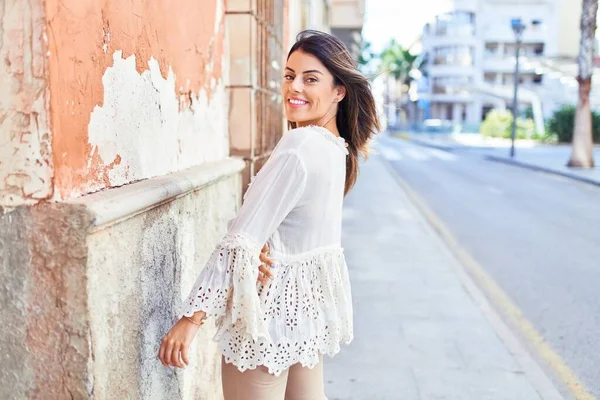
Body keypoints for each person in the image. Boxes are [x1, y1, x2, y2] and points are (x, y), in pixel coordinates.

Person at [158, 29, 380, 399]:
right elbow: (289, 233)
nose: (294, 88)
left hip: (268, 320)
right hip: (304, 318)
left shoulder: (299, 146)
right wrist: (265, 244)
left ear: (339, 90)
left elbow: (240, 242)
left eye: (311, 79)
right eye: (290, 75)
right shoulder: (336, 150)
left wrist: (191, 319)